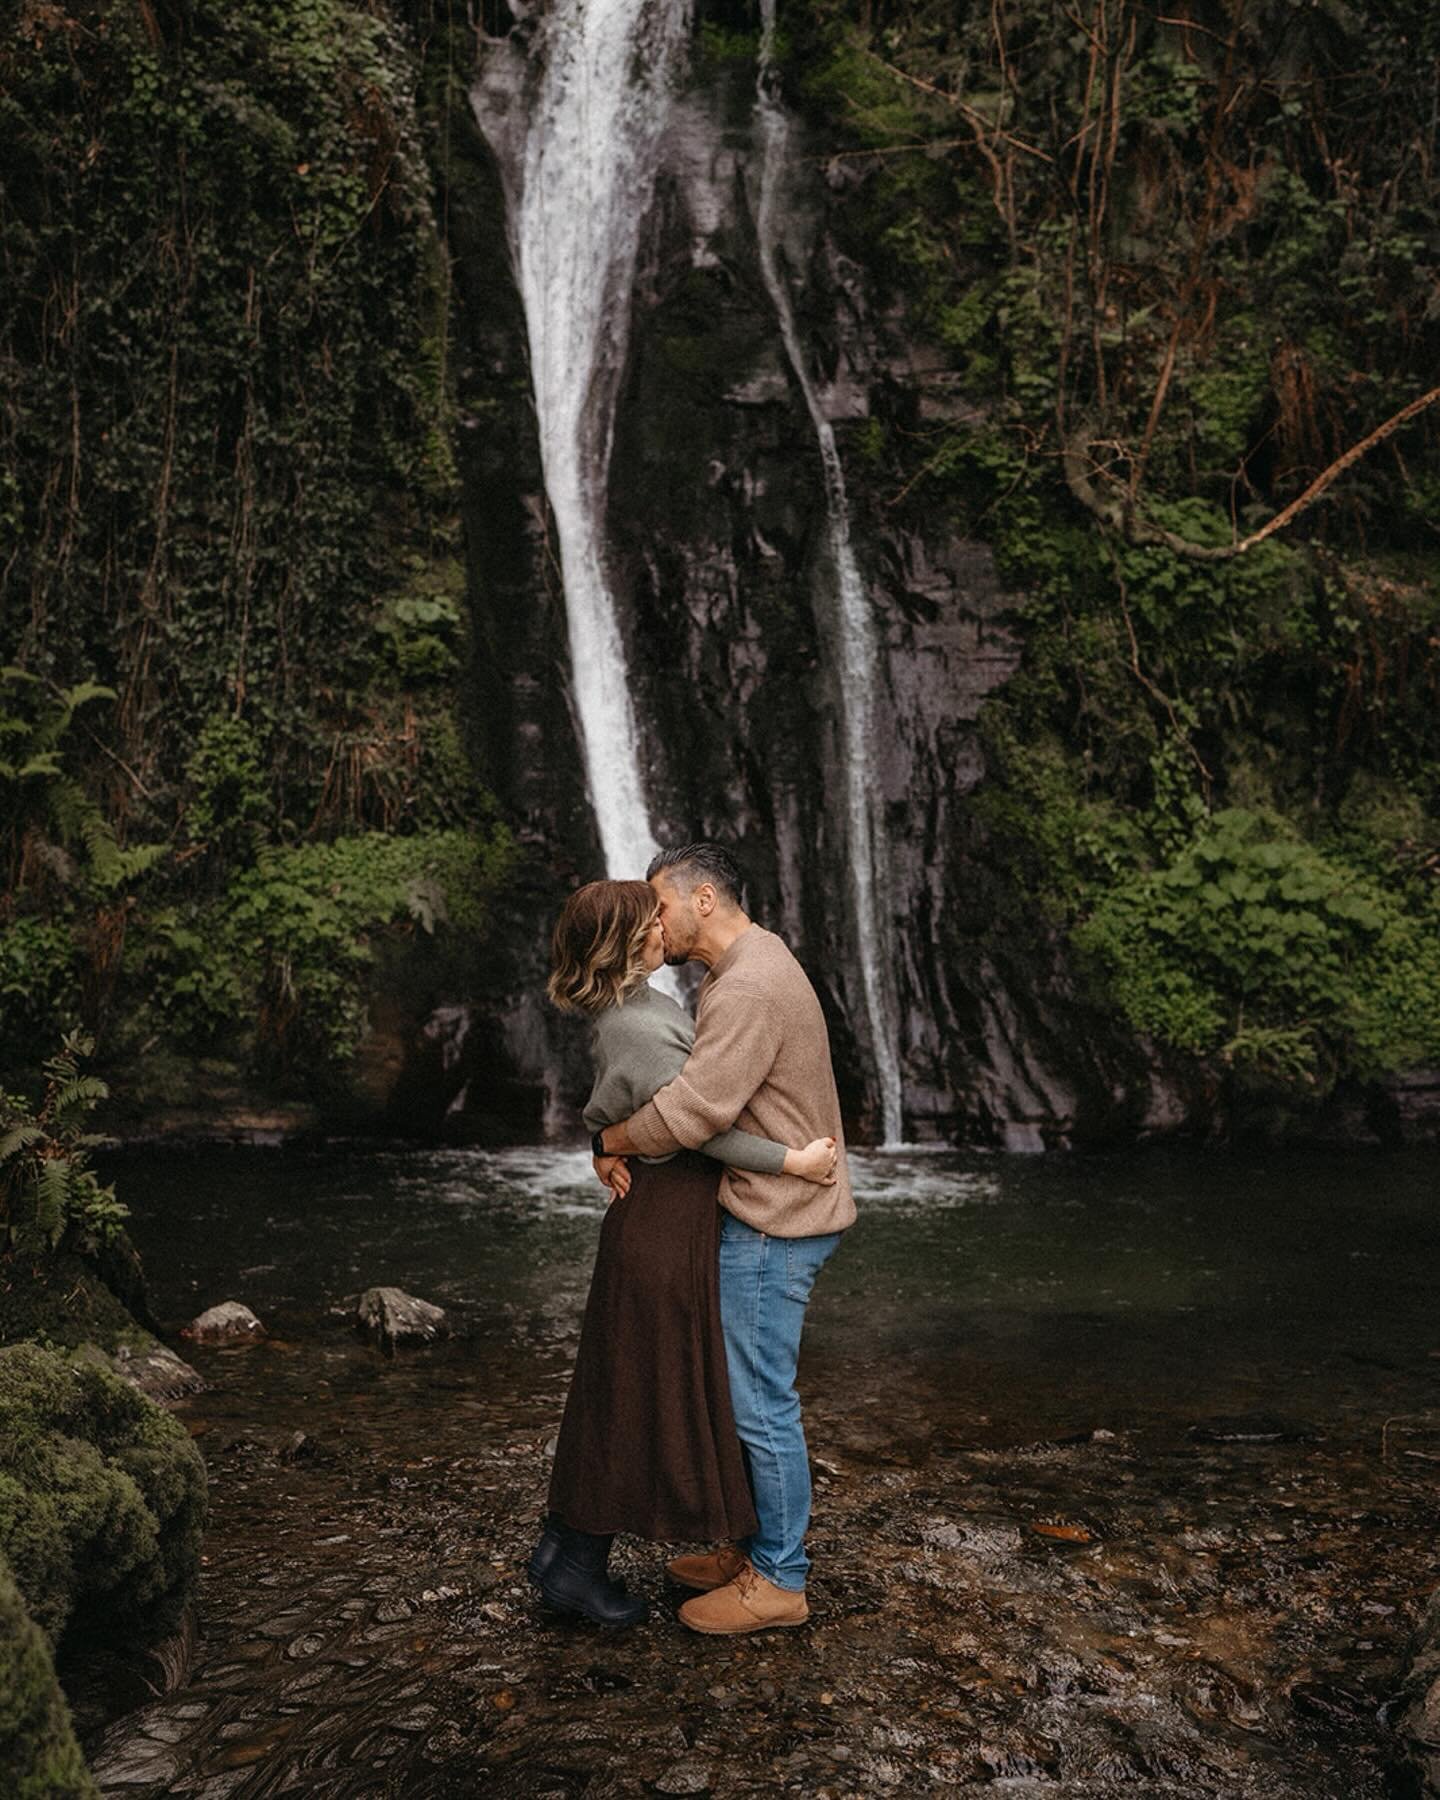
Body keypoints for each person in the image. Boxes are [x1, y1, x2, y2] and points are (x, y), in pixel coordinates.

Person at [528, 879, 838, 1628]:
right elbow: (694, 1122)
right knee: (640, 1386)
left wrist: (602, 1140)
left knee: (636, 1381)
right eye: (649, 915)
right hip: (664, 1220)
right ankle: (577, 1562)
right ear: (630, 941)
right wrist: (792, 1162)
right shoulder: (642, 1020)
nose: (661, 922)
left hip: (666, 1214)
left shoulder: (641, 1008)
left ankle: (571, 1552)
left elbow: (649, 1111)